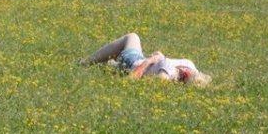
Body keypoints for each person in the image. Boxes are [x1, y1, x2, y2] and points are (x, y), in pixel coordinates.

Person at [78, 32, 211, 86]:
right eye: (190, 71)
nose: (184, 69)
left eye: (184, 74)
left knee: (132, 37)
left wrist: (150, 60)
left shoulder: (165, 76)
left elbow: (131, 79)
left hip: (133, 62)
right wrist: (161, 57)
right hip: (140, 60)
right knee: (111, 65)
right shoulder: (189, 64)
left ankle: (85, 62)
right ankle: (112, 64)